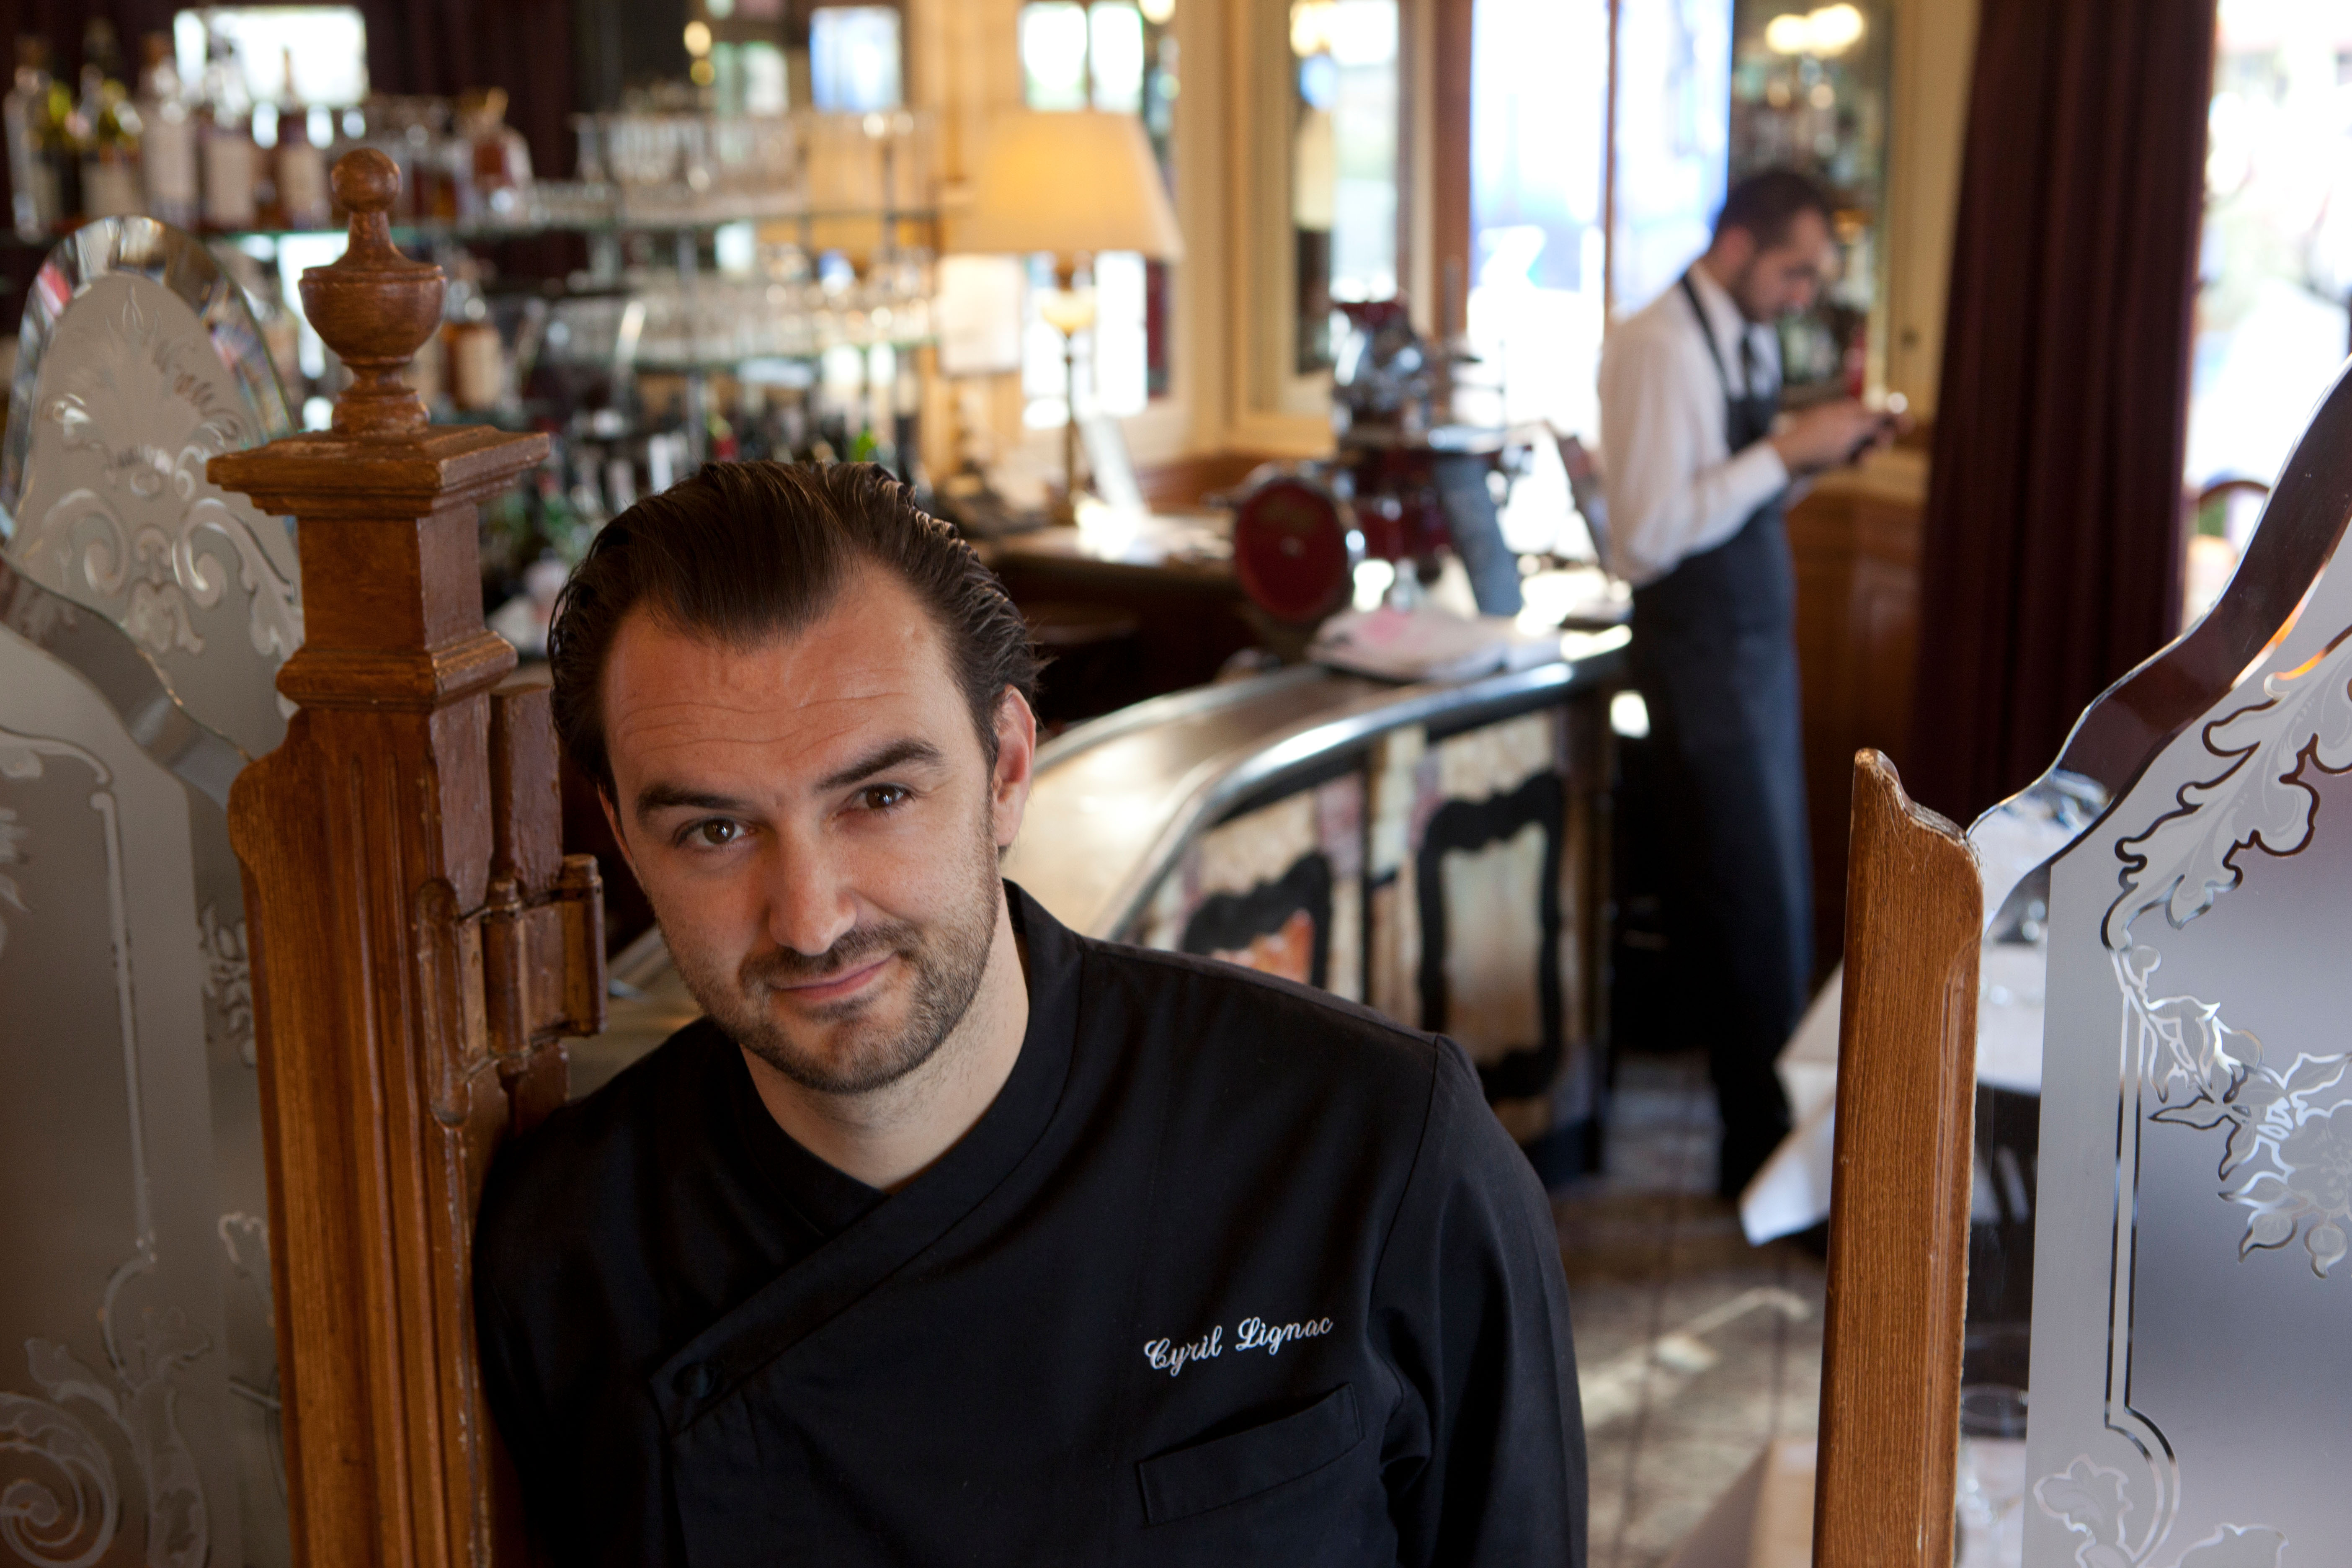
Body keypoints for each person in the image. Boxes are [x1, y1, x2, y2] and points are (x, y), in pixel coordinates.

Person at [472, 460, 1586, 1565]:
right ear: (624, 837)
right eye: (714, 832)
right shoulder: (563, 1252)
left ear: (1006, 767)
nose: (809, 920)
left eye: (880, 798)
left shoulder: (1376, 1149)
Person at [1596, 169, 1896, 1200]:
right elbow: (1647, 534)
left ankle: (1774, 1148)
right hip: (1700, 658)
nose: (1806, 291)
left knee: (1774, 900)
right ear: (1736, 243)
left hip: (1761, 648)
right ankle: (1759, 1159)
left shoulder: (1749, 334)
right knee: (1741, 903)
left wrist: (1818, 456)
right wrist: (1784, 451)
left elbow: (1733, 501)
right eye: (1796, 268)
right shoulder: (1656, 347)